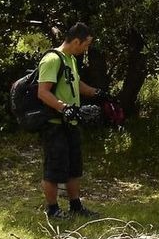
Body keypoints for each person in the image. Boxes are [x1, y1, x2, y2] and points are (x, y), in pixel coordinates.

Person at [37, 22, 111, 220]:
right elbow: (43, 92)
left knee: (74, 167)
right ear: (76, 41)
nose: (86, 49)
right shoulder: (52, 59)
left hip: (72, 124)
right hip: (54, 125)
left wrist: (99, 94)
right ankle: (52, 209)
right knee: (54, 169)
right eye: (85, 44)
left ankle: (75, 206)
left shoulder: (70, 59)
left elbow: (76, 84)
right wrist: (64, 108)